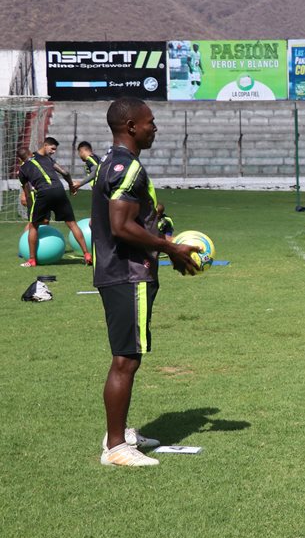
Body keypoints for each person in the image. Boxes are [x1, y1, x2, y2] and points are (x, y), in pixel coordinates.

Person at [92, 98, 201, 466]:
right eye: (150, 122)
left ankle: (119, 433)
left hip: (120, 271)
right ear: (131, 126)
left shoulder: (114, 162)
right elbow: (121, 227)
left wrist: (155, 221)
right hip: (127, 273)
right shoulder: (127, 167)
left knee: (128, 357)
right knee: (126, 359)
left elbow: (125, 219)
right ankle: (116, 448)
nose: (155, 127)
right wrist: (169, 247)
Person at [18, 137, 89, 267]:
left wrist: (30, 205)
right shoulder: (45, 158)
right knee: (72, 224)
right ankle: (86, 254)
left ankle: (32, 260)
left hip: (43, 193)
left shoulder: (22, 170)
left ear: (20, 159)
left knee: (33, 225)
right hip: (59, 189)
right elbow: (65, 172)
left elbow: (26, 190)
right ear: (30, 153)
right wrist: (71, 186)